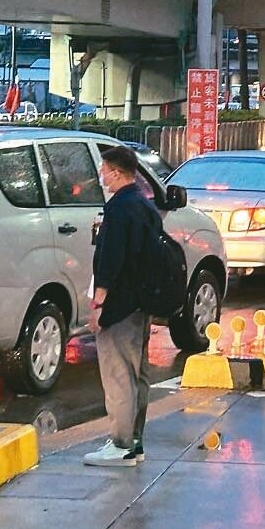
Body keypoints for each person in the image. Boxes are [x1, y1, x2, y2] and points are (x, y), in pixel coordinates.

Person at [85, 144, 161, 468]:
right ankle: (135, 441)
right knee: (136, 375)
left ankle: (120, 444)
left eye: (104, 171)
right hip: (140, 303)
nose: (102, 177)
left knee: (117, 376)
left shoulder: (118, 209)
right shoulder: (145, 206)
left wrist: (99, 302)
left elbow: (111, 260)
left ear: (117, 172)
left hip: (119, 305)